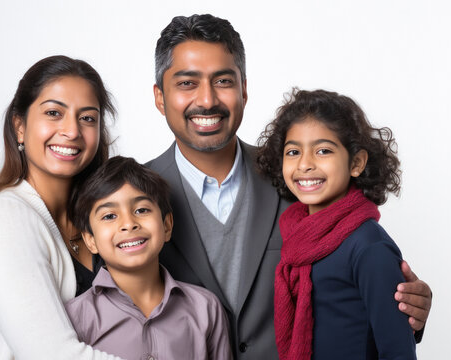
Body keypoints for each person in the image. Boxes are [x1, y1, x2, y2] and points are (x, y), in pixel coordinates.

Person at [147, 14, 432, 359]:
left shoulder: (296, 181)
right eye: (187, 83)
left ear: (244, 90)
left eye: (222, 81)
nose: (207, 100)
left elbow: (356, 293)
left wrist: (404, 305)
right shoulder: (132, 198)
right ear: (160, 97)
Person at [0, 56, 121, 360]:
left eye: (87, 118)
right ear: (19, 127)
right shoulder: (4, 217)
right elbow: (52, 354)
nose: (72, 131)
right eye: (53, 113)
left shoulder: (101, 218)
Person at [258, 89, 416, 359]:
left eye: (323, 151)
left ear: (356, 163)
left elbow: (398, 351)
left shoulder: (369, 247)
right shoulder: (297, 236)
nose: (305, 164)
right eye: (293, 151)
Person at [65, 156, 232, 360]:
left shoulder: (205, 308)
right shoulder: (74, 318)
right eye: (109, 216)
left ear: (167, 225)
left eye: (141, 210)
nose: (129, 224)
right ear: (90, 240)